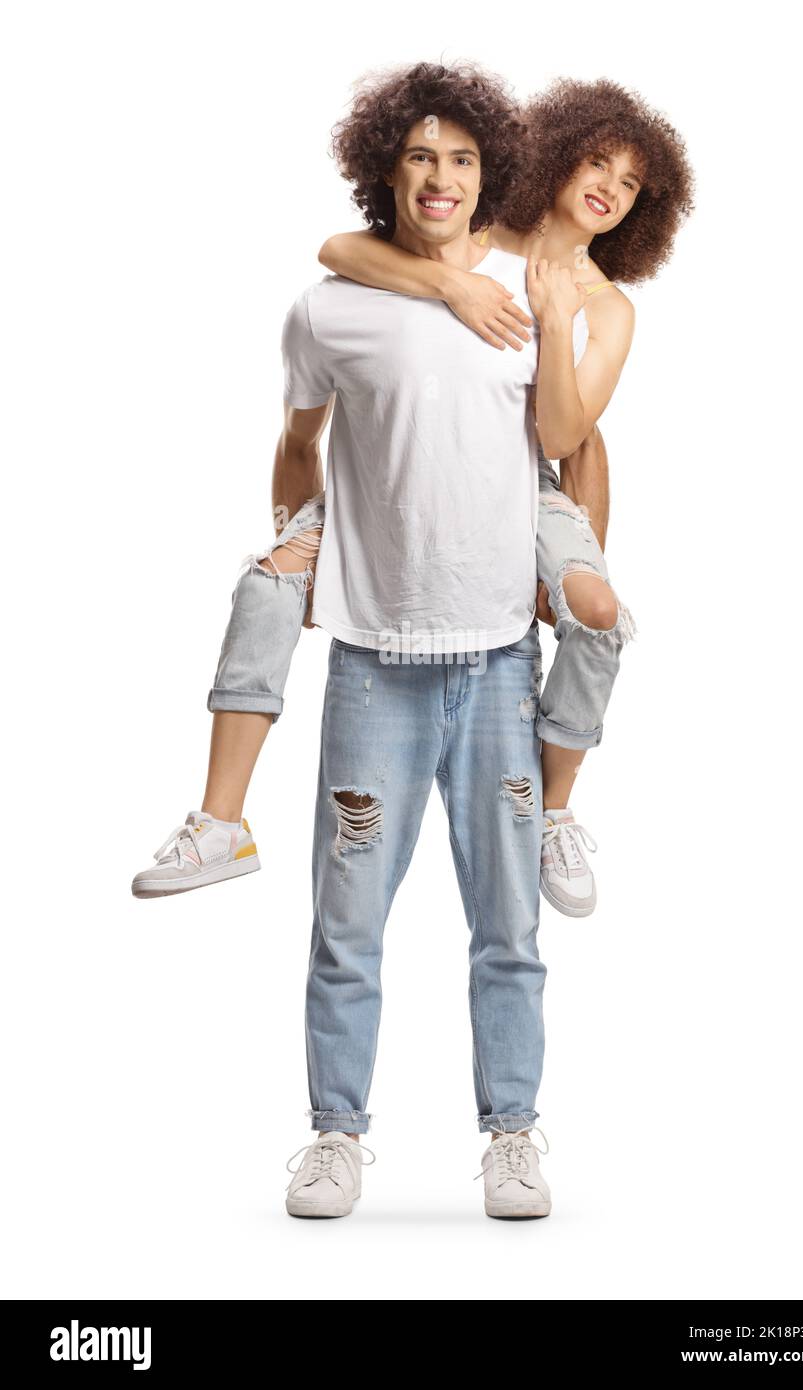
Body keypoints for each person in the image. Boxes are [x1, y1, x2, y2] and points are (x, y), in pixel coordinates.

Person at [136, 61, 600, 1219]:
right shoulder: (326, 307)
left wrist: (571, 559)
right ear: (383, 168)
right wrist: (290, 544)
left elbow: (576, 444)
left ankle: (512, 1134)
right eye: (417, 157)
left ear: (486, 176)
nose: (437, 178)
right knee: (346, 931)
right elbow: (298, 441)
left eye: (459, 160)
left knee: (508, 929)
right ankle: (334, 1135)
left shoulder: (521, 301)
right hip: (370, 668)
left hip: (496, 661)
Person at [317, 77, 695, 915]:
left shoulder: (610, 308)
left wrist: (556, 322)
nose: (609, 187)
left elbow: (561, 437)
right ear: (557, 156)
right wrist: (452, 285)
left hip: (533, 480)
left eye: (631, 182)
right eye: (597, 162)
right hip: (438, 476)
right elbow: (341, 252)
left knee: (600, 614)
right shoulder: (485, 236)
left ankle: (553, 808)